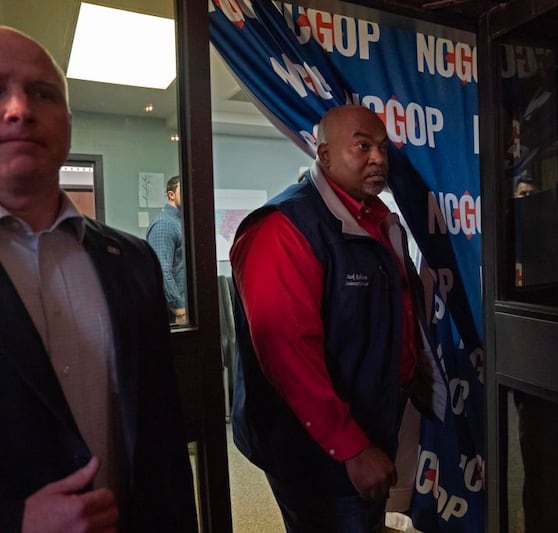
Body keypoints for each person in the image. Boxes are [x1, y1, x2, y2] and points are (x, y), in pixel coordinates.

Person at [0, 26, 197, 532]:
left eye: (42, 93)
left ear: (67, 120)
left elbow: (162, 439)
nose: (20, 109)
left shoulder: (128, 261)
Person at [230, 105, 431, 533]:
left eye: (381, 147)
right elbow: (287, 353)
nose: (378, 158)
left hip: (371, 418)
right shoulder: (283, 228)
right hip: (316, 443)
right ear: (323, 156)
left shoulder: (377, 219)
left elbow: (396, 311)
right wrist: (351, 447)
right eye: (362, 146)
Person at [147, 174, 186, 325]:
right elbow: (162, 270)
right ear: (171, 195)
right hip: (175, 312)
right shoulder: (165, 224)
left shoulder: (181, 222)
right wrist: (179, 308)